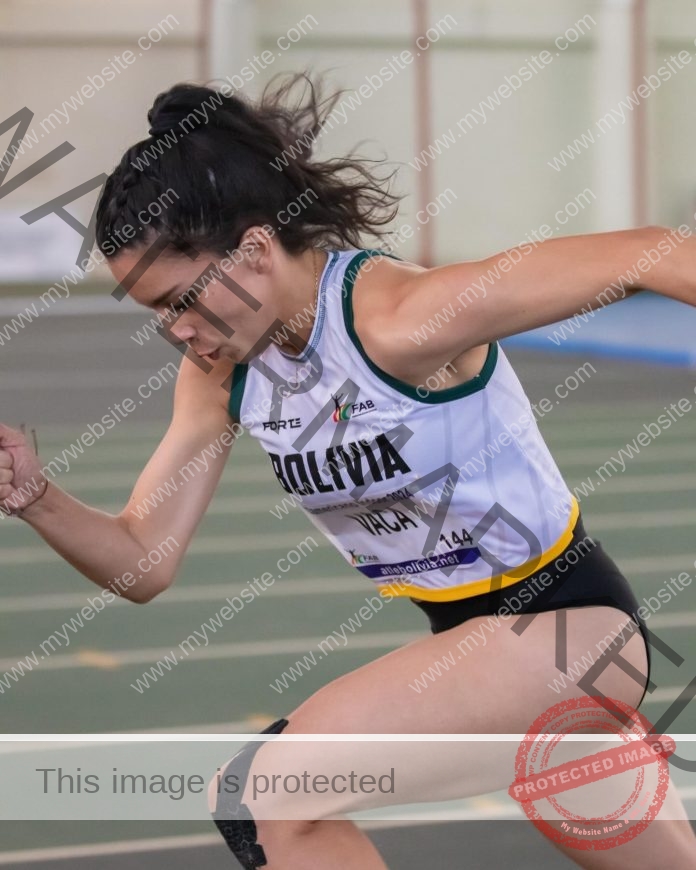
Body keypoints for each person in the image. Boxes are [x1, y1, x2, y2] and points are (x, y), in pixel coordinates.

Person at [1, 74, 695, 869]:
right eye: (156, 312)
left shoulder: (400, 321)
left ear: (255, 250)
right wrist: (36, 498)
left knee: (263, 796)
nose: (176, 330)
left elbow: (653, 253)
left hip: (565, 636)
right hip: (478, 653)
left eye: (183, 298)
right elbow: (143, 560)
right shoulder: (222, 374)